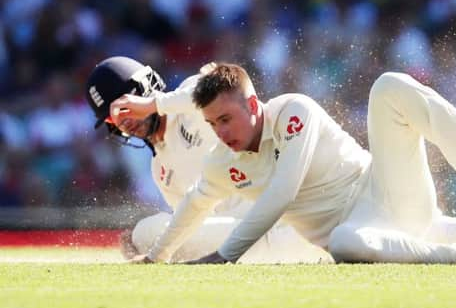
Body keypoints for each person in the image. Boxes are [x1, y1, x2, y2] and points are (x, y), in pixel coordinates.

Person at [115, 64, 456, 265]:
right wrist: (158, 257)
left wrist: (223, 257)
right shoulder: (219, 161)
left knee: (389, 87)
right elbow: (192, 207)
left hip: (388, 191)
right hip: (363, 234)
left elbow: (283, 191)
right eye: (213, 123)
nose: (221, 132)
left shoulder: (295, 112)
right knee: (344, 243)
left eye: (227, 119)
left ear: (253, 103)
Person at [85, 56, 331, 263]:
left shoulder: (189, 95)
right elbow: (193, 221)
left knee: (142, 234)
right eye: (112, 119)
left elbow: (219, 92)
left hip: (287, 221)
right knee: (148, 234)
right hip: (244, 238)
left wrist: (153, 105)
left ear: (142, 91)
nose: (123, 122)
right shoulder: (159, 168)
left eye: (124, 108)